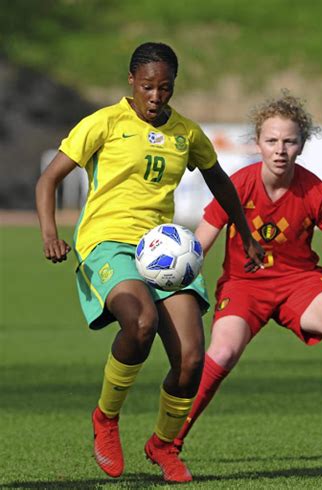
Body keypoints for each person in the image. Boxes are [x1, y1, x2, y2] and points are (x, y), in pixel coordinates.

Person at [35, 41, 264, 483]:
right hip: (106, 242)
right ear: (131, 82)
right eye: (147, 87)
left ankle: (162, 444)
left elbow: (220, 181)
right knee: (138, 322)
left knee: (192, 358)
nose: (156, 97)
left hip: (163, 249)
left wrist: (247, 234)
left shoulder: (187, 133)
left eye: (164, 88)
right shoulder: (104, 122)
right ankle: (106, 418)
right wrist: (50, 234)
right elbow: (49, 180)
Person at [173, 92, 322, 464]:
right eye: (272, 141)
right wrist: (178, 291)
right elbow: (197, 247)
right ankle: (170, 440)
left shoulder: (317, 192)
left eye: (289, 141)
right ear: (257, 143)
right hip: (245, 285)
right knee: (222, 352)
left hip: (299, 282)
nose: (280, 150)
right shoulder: (238, 186)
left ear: (302, 145)